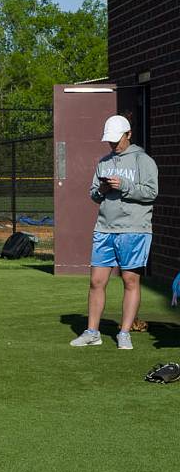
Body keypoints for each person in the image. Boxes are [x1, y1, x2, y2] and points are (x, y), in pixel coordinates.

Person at [70, 115, 158, 350]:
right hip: (104, 228)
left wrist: (125, 186)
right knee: (96, 281)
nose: (112, 145)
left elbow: (151, 192)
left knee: (130, 280)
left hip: (134, 229)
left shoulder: (143, 160)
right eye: (109, 141)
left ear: (128, 135)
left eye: (116, 140)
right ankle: (92, 332)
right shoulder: (104, 162)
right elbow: (93, 195)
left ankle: (125, 333)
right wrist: (102, 189)